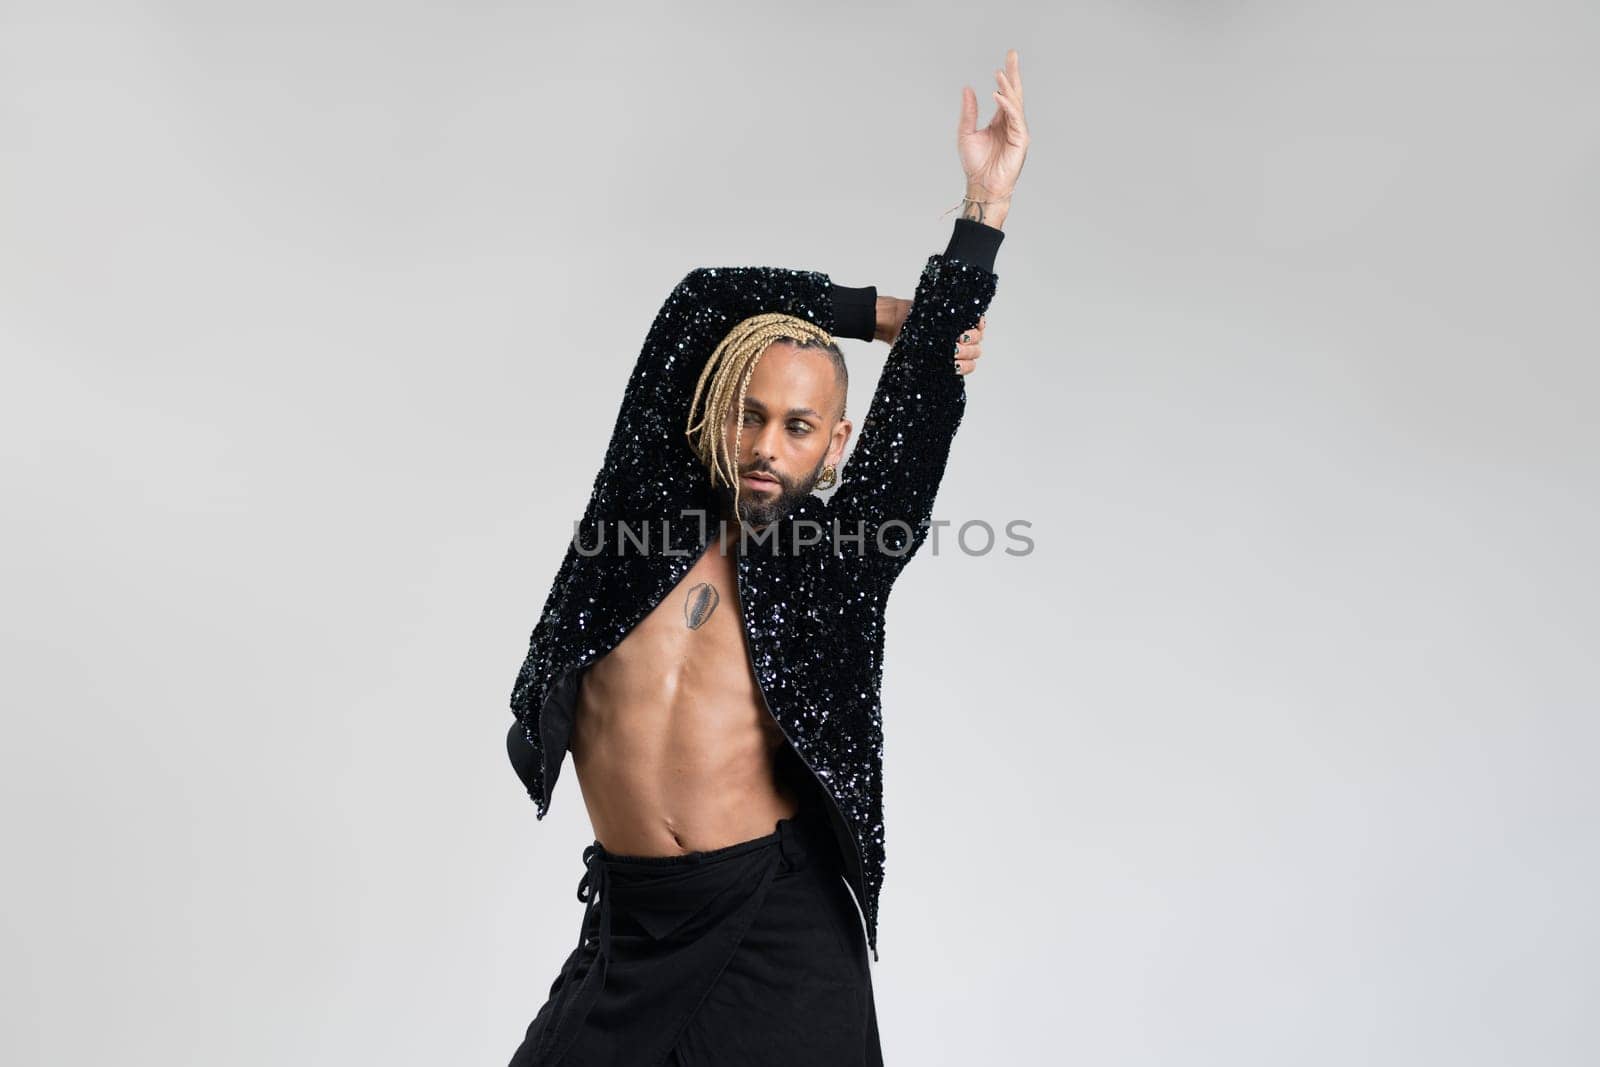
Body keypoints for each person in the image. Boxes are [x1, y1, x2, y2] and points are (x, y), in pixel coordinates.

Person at [506, 49, 1030, 1066]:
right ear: (717, 408)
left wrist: (981, 211)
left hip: (772, 927)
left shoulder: (841, 559)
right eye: (751, 413)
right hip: (631, 926)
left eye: (798, 425)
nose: (765, 443)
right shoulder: (644, 500)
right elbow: (704, 298)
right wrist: (882, 313)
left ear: (833, 445)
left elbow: (917, 415)